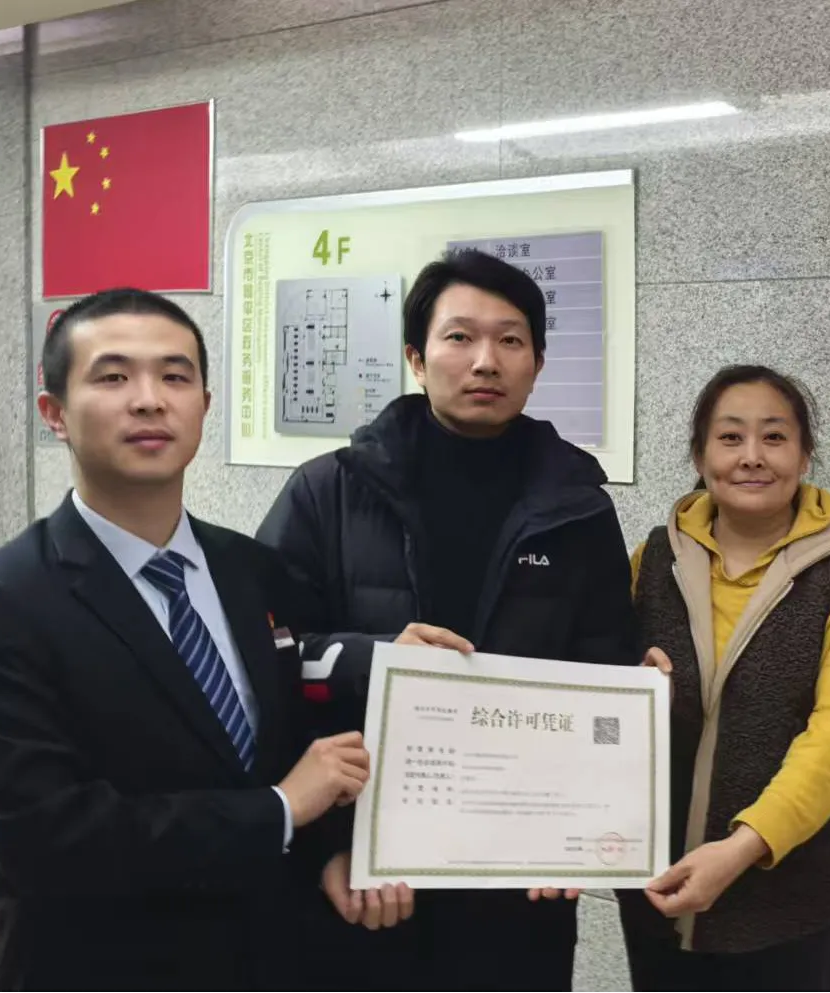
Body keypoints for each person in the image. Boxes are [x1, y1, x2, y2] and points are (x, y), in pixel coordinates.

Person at [0, 289, 370, 991]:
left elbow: (289, 745)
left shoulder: (255, 569)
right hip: (102, 965)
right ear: (54, 413)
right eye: (112, 376)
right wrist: (280, 810)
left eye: (174, 375)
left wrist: (333, 849)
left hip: (274, 955)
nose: (149, 400)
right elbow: (49, 838)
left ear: (204, 404)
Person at [256, 248, 635, 991]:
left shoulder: (580, 510)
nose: (485, 360)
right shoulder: (327, 492)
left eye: (511, 340)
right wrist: (331, 845)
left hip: (518, 884)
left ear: (537, 363)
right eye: (459, 336)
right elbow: (263, 656)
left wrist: (579, 833)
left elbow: (606, 668)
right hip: (366, 876)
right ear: (415, 357)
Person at [619, 365, 830, 991]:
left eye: (774, 437)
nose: (751, 457)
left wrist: (744, 847)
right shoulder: (652, 560)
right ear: (699, 455)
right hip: (655, 890)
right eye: (730, 437)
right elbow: (603, 689)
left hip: (786, 905)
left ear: (804, 455)